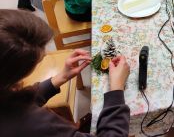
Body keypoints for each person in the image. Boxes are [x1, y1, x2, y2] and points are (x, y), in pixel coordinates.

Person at [0, 9, 130, 137]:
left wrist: (60, 77)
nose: (45, 53)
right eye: (39, 59)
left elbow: (18, 100)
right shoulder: (35, 124)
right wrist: (116, 89)